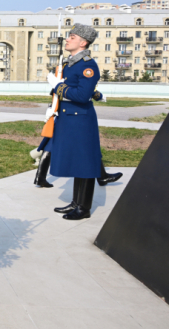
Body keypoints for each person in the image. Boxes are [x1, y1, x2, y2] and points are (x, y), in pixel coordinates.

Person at [42, 23, 102, 220]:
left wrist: (59, 87)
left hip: (81, 121)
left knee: (85, 163)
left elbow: (82, 95)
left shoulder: (87, 65)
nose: (67, 39)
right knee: (77, 162)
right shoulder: (71, 63)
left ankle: (83, 209)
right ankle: (76, 203)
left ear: (83, 43)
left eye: (72, 37)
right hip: (69, 119)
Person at [33, 88, 123, 188]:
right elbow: (82, 89)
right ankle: (102, 177)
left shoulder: (62, 74)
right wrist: (98, 95)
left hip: (63, 109)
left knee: (52, 141)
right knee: (88, 144)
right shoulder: (72, 75)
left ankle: (40, 177)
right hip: (72, 111)